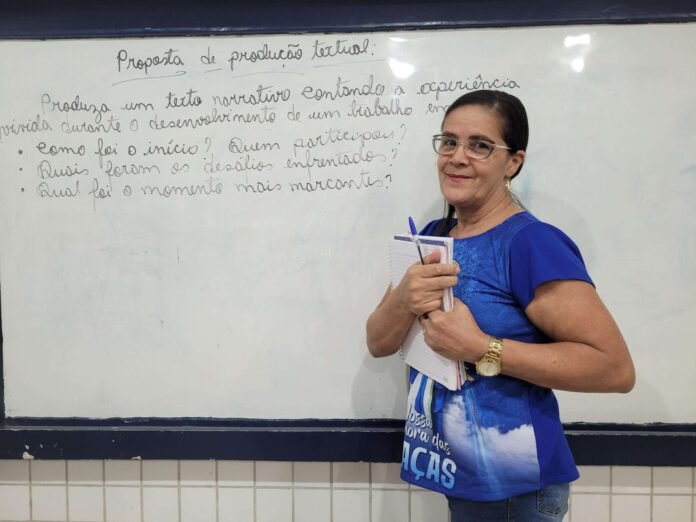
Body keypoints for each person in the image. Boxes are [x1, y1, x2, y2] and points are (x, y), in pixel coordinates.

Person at [365, 90, 635, 521]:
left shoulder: (531, 243)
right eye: (449, 142)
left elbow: (614, 369)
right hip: (459, 476)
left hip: (516, 491)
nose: (457, 157)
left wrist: (480, 348)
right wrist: (402, 299)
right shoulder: (433, 235)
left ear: (513, 162)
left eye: (480, 145)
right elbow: (379, 343)